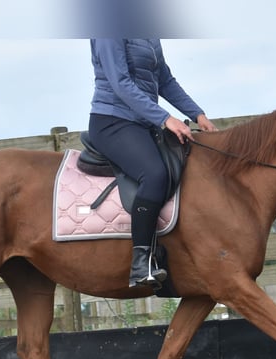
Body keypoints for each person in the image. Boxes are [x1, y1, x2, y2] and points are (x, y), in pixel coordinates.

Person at [88, 39, 218, 288]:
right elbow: (120, 84)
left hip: (143, 123)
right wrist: (165, 118)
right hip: (113, 121)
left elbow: (165, 81)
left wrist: (198, 115)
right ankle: (141, 263)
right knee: (154, 174)